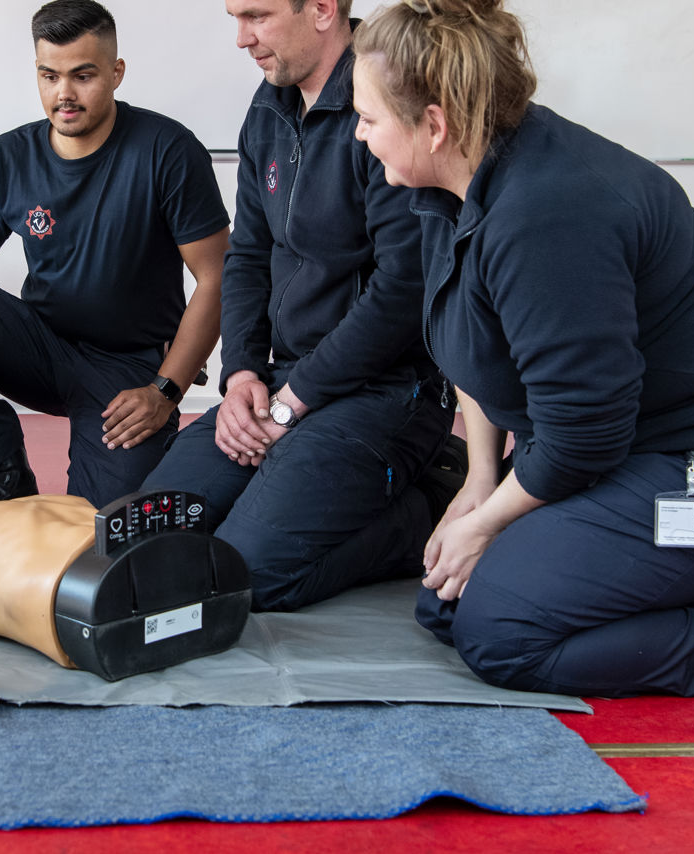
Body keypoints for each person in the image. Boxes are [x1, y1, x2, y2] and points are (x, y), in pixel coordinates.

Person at [350, 0, 694, 697]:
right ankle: (675, 583)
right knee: (445, 604)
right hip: (620, 450)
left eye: (368, 118)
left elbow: (583, 431)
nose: (360, 134)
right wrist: (479, 485)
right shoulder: (451, 185)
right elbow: (471, 352)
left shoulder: (547, 214)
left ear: (435, 124)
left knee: (501, 635)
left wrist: (488, 523)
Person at [140, 0, 459, 613]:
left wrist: (292, 402)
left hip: (386, 391)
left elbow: (405, 287)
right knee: (152, 539)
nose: (242, 38)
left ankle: (430, 503)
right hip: (283, 381)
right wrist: (241, 376)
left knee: (242, 575)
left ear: (320, 9)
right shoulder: (268, 108)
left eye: (256, 16)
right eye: (235, 18)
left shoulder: (389, 99)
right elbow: (247, 255)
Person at [0, 0, 231, 509]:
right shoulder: (9, 155)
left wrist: (166, 391)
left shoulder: (168, 150)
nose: (63, 94)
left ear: (116, 73)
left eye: (82, 76)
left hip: (126, 370)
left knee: (104, 527)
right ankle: (1, 466)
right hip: (39, 348)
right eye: (49, 76)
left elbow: (218, 277)